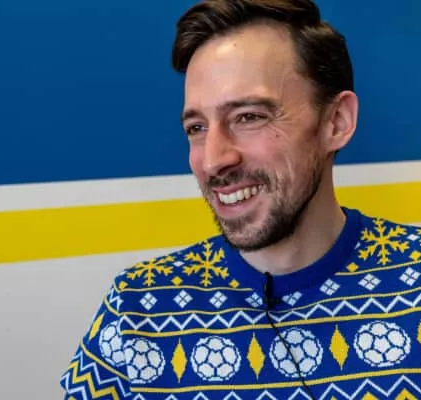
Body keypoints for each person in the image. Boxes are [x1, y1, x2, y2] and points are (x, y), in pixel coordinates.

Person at [60, 0, 421, 398]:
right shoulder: (136, 310)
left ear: (336, 122)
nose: (213, 160)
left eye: (249, 117)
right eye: (197, 128)